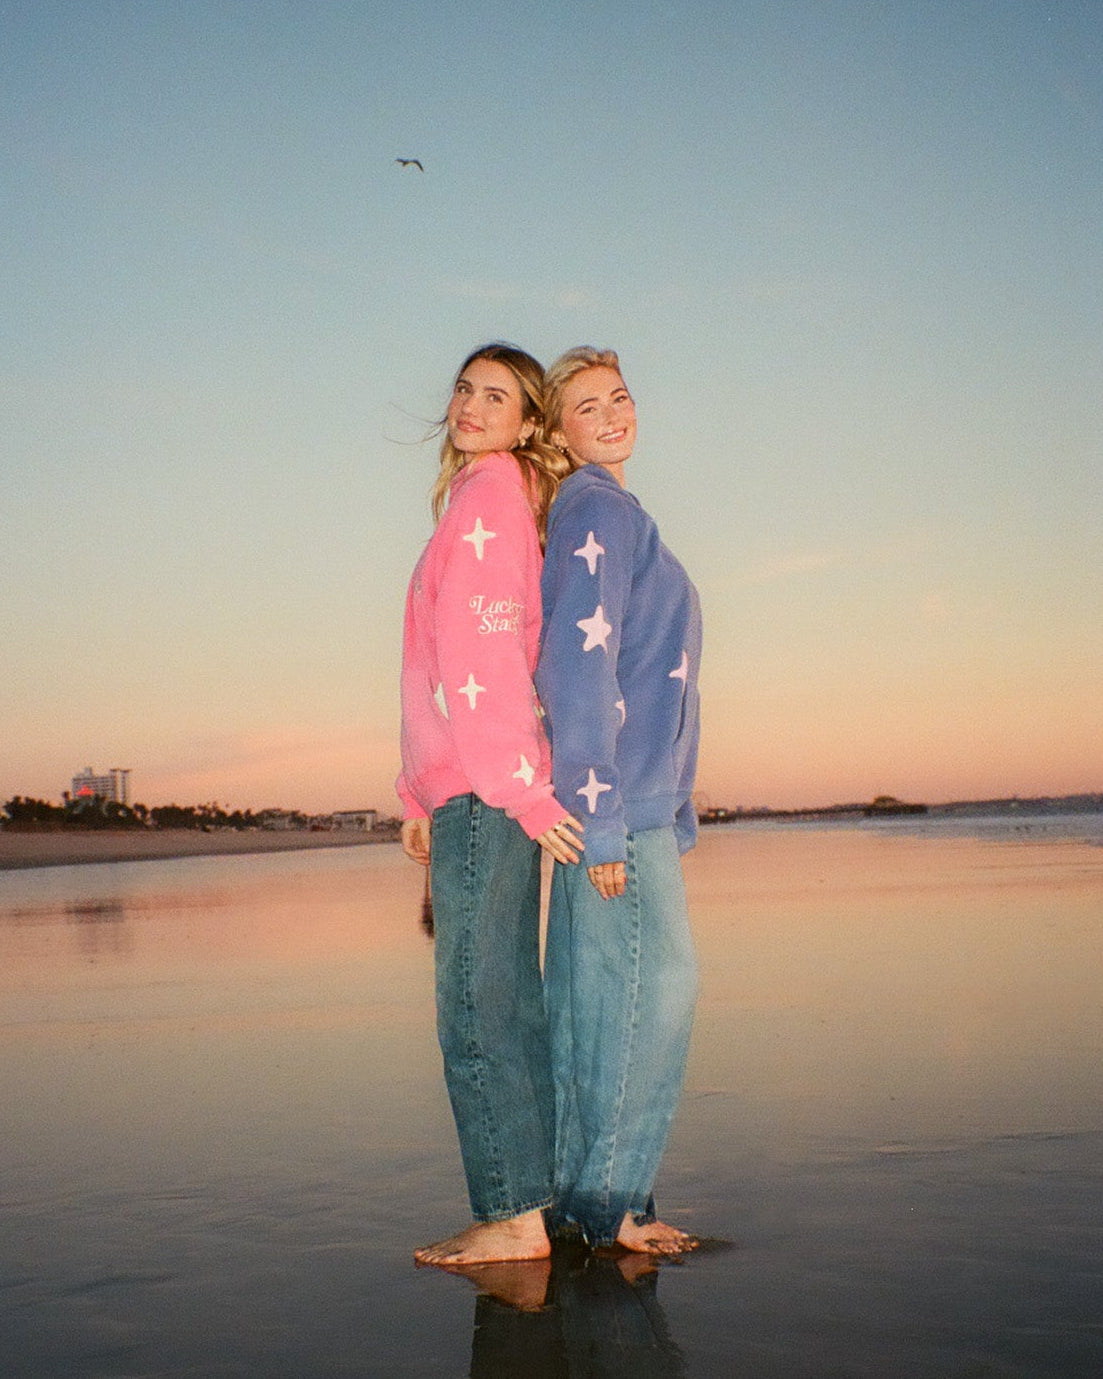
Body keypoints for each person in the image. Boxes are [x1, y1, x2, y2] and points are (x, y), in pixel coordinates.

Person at [397, 343, 584, 1266]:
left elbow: (485, 660)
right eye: (464, 388)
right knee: (510, 1003)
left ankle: (511, 1216)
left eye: (496, 396)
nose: (470, 404)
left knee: (475, 1006)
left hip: (486, 786)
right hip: (475, 784)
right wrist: (415, 789)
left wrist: (513, 788)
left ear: (526, 421)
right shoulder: (492, 497)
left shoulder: (489, 498)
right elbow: (442, 666)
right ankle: (536, 1208)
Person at [535, 347, 702, 1255]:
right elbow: (577, 671)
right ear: (559, 433)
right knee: (653, 996)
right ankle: (616, 1206)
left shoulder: (609, 513)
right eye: (586, 406)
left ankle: (583, 1200)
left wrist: (674, 806)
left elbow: (655, 675)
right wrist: (605, 817)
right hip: (615, 808)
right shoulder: (597, 510)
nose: (610, 415)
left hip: (630, 804)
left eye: (619, 397)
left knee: (596, 1006)